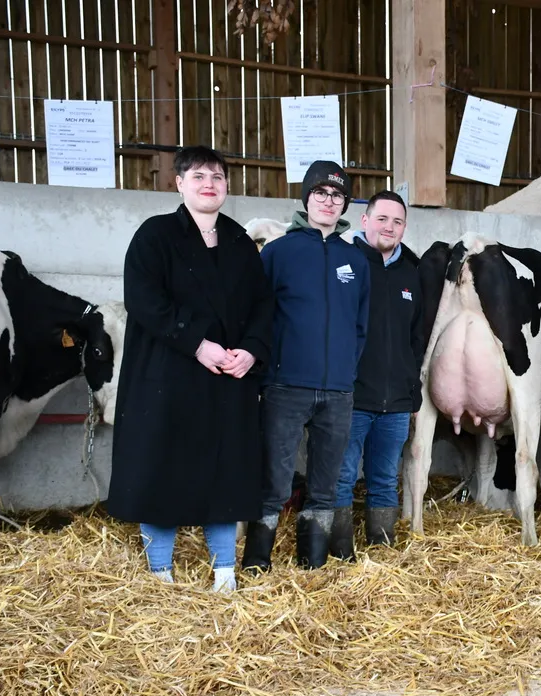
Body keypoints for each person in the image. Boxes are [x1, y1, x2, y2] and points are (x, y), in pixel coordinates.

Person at [106, 145, 273, 593]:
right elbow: (144, 300)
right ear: (179, 184)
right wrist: (197, 344)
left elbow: (263, 307)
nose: (208, 184)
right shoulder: (155, 236)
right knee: (164, 468)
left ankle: (223, 572)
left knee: (227, 471)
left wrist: (252, 352)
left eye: (217, 177)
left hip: (227, 381)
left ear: (226, 187)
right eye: (198, 176)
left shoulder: (240, 242)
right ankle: (160, 571)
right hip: (168, 377)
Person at [240, 160, 371, 572]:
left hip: (338, 391)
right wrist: (267, 372)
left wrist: (346, 373)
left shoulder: (357, 260)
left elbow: (360, 325)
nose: (329, 201)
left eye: (337, 196)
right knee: (274, 482)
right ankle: (257, 564)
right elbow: (256, 318)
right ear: (306, 199)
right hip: (286, 385)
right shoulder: (279, 252)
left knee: (325, 485)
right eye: (321, 193)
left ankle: (311, 565)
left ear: (345, 204)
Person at [330, 190, 424, 557]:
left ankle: (381, 552)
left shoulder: (411, 273)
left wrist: (412, 393)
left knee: (385, 479)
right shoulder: (344, 261)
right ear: (365, 220)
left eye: (397, 221)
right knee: (342, 477)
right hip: (350, 397)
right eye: (382, 219)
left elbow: (416, 339)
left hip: (396, 402)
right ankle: (339, 553)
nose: (390, 227)